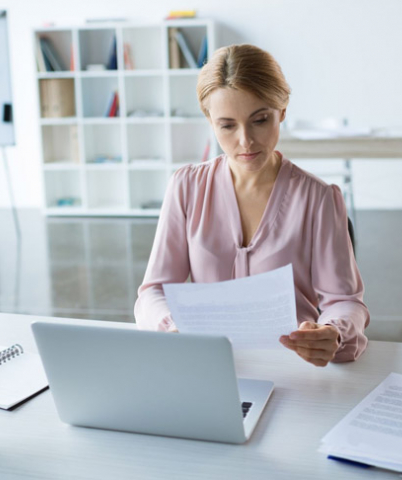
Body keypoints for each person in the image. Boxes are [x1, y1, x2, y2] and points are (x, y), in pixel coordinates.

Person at [134, 44, 369, 366]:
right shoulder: (186, 187)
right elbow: (153, 291)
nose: (245, 141)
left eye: (259, 120)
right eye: (227, 125)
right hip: (207, 365)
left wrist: (332, 331)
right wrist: (172, 326)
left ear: (282, 111)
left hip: (294, 366)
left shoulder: (319, 198)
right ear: (210, 120)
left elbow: (346, 302)